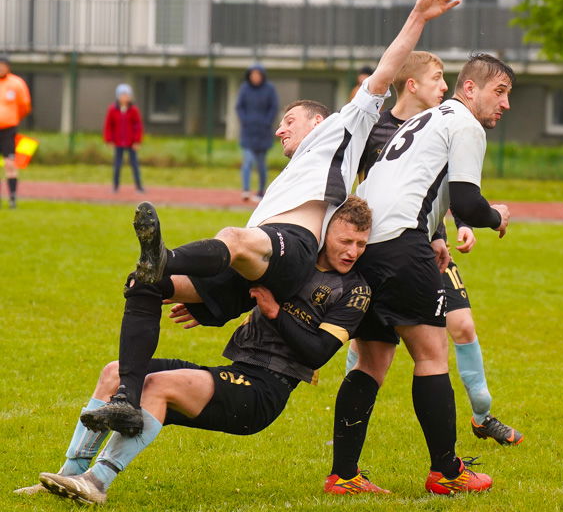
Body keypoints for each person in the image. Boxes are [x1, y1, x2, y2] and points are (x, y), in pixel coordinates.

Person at [79, 0, 460, 442]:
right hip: (258, 261)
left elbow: (386, 68)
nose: (280, 129)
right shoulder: (288, 174)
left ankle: (165, 256)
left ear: (318, 122)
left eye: (290, 120)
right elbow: (257, 279)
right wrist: (218, 306)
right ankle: (127, 395)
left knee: (233, 236)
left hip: (289, 246)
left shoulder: (345, 124)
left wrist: (418, 14)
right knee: (143, 284)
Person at [15, 197, 377, 505]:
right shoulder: (290, 266)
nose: (353, 252)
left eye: (361, 245)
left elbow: (317, 352)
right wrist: (203, 308)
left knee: (159, 386)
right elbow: (235, 291)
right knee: (116, 373)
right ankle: (68, 476)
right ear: (326, 231)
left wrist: (275, 313)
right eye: (346, 241)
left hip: (266, 390)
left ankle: (96, 484)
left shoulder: (354, 290)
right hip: (238, 368)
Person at [327, 53, 513, 496]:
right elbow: (467, 202)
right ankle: (447, 473)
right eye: (500, 92)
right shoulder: (464, 123)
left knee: (371, 361)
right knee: (431, 356)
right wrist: (496, 215)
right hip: (400, 246)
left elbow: (411, 182)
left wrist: (433, 232)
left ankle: (344, 475)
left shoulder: (421, 121)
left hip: (367, 245)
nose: (504, 104)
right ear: (472, 89)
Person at [236, 64, 279, 201]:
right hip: (248, 132)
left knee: (261, 164)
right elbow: (239, 107)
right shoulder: (244, 89)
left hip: (263, 133)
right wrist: (245, 121)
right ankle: (246, 190)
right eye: (252, 75)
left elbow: (274, 107)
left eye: (258, 74)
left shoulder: (269, 89)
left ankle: (261, 192)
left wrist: (266, 122)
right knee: (247, 161)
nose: (255, 77)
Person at [0, 54, 32, 209]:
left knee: (9, 164)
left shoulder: (16, 83)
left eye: (3, 65)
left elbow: (25, 106)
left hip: (8, 130)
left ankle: (12, 197)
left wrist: (12, 118)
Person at [103, 84, 145, 193]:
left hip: (131, 142)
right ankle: (115, 187)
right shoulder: (112, 110)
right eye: (122, 95)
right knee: (117, 165)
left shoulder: (134, 110)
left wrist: (137, 141)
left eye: (127, 95)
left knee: (134, 165)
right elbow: (108, 126)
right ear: (118, 96)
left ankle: (139, 187)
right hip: (118, 142)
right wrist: (109, 140)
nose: (125, 97)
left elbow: (138, 126)